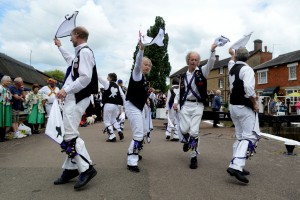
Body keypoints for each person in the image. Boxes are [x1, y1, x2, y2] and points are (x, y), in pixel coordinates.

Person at [53, 26, 98, 190]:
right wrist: (60, 47)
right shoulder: (80, 53)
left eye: (71, 35)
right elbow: (71, 61)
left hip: (77, 97)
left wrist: (66, 89)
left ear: (77, 35)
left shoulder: (85, 52)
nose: (69, 38)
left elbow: (85, 77)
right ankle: (71, 169)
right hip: (74, 98)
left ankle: (86, 169)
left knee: (70, 135)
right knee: (68, 134)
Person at [173, 42, 218, 169]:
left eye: (195, 60)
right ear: (188, 61)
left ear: (198, 61)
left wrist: (212, 51)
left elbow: (211, 63)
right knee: (183, 130)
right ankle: (187, 141)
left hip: (198, 105)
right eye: (191, 59)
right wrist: (176, 102)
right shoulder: (183, 76)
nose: (193, 61)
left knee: (194, 131)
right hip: (185, 106)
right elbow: (179, 92)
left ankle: (193, 156)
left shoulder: (202, 72)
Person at [226, 47, 260, 184]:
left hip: (233, 107)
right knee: (250, 136)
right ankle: (236, 166)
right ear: (248, 57)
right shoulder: (247, 70)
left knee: (240, 137)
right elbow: (249, 89)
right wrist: (255, 103)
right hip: (244, 107)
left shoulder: (232, 69)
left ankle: (238, 163)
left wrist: (232, 55)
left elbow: (230, 62)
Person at [125, 40, 152, 172]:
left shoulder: (144, 79)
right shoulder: (136, 74)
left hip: (139, 107)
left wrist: (146, 99)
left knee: (141, 132)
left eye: (149, 65)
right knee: (138, 133)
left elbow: (141, 91)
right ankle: (131, 160)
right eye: (145, 64)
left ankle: (133, 152)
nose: (147, 67)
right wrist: (141, 50)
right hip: (132, 106)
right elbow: (137, 64)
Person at [98, 73, 125, 142]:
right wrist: (124, 105)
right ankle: (119, 131)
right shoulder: (118, 86)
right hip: (116, 105)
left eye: (108, 77)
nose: (107, 78)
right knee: (113, 120)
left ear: (111, 78)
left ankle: (112, 136)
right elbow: (123, 95)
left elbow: (99, 77)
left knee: (107, 121)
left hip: (108, 104)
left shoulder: (107, 83)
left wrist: (93, 70)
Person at [0, 75, 12, 142]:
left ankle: (3, 136)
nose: (9, 82)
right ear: (3, 81)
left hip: (6, 105)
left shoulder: (7, 89)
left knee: (5, 121)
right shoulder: (0, 88)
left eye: (9, 81)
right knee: (1, 120)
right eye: (8, 81)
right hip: (1, 105)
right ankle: (0, 136)